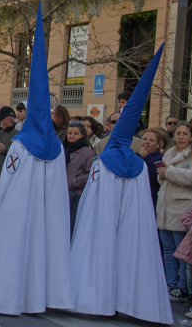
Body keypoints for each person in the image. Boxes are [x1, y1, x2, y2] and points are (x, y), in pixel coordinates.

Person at [0, 3, 73, 315]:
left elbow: (9, 182)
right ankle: (43, 294)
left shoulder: (20, 143)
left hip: (16, 210)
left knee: (14, 242)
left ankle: (6, 292)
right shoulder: (56, 147)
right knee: (44, 241)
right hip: (47, 212)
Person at [70, 44, 173, 324]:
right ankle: (133, 300)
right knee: (131, 249)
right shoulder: (138, 163)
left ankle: (95, 297)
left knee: (99, 248)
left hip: (100, 220)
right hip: (131, 223)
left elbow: (92, 198)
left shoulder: (104, 160)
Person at [156, 120, 192, 302]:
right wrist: (162, 175)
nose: (180, 137)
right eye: (178, 133)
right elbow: (162, 175)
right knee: (168, 249)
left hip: (183, 206)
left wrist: (169, 172)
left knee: (182, 251)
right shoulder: (170, 152)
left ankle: (183, 287)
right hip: (165, 207)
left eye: (185, 134)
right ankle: (170, 282)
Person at [65, 120, 95, 233]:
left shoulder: (87, 152)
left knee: (72, 226)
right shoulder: (63, 149)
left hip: (76, 195)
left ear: (82, 135)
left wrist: (74, 182)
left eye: (76, 133)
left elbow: (91, 174)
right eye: (70, 133)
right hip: (62, 193)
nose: (72, 136)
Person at [139, 127, 169, 209]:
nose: (147, 142)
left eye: (151, 140)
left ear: (158, 144)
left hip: (151, 196)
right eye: (145, 139)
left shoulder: (161, 158)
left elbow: (155, 177)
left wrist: (146, 157)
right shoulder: (135, 156)